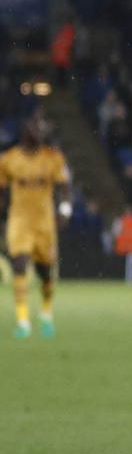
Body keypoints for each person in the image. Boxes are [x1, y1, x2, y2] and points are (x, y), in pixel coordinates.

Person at [0, 117, 72, 339]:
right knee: (19, 265)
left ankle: (46, 313)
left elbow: (64, 185)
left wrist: (65, 209)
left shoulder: (53, 158)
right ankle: (23, 321)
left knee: (45, 273)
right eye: (34, 129)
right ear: (25, 132)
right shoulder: (9, 159)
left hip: (44, 223)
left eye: (41, 130)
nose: (38, 133)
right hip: (19, 221)